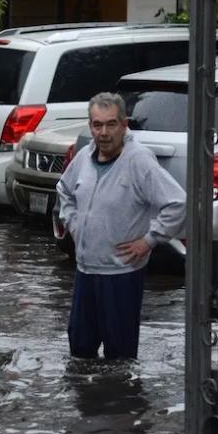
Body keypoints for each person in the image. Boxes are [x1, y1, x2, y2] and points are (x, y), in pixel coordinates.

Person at [55, 92, 186, 360]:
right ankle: (87, 401)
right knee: (80, 350)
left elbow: (177, 203)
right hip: (85, 271)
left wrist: (149, 240)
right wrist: (73, 222)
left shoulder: (139, 161)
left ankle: (120, 400)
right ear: (90, 126)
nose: (104, 132)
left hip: (121, 275)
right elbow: (64, 190)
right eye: (97, 125)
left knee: (120, 357)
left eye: (111, 124)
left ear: (124, 125)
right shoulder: (84, 157)